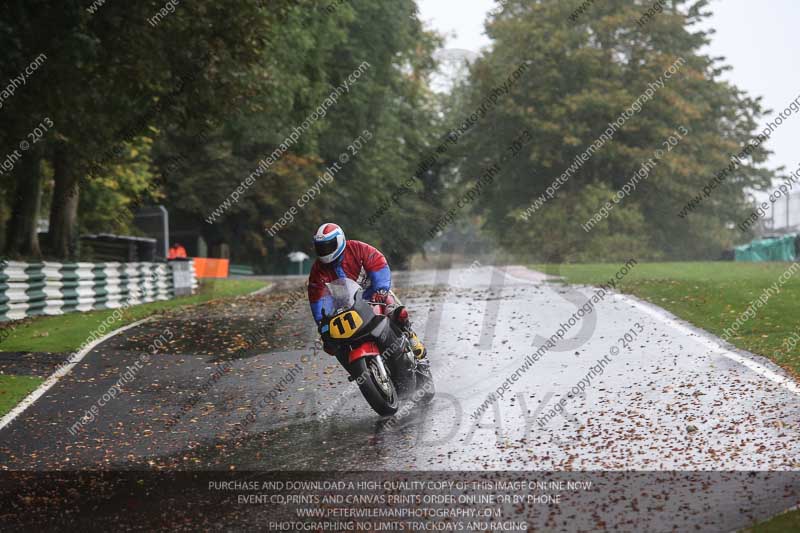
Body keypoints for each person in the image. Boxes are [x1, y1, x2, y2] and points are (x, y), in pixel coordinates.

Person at [307, 222, 426, 360]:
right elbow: (317, 298)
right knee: (331, 343)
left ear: (339, 240)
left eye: (328, 246)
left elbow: (378, 264)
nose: (325, 251)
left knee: (395, 310)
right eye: (321, 247)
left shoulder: (358, 248)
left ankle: (410, 335)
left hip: (374, 295)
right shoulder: (317, 270)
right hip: (345, 310)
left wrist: (381, 289)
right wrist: (322, 322)